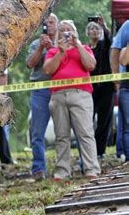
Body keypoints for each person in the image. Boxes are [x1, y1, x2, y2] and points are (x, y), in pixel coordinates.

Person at [43, 20, 100, 180]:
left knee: (85, 133)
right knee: (61, 135)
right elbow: (48, 69)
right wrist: (61, 52)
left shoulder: (85, 48)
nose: (66, 32)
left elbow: (91, 65)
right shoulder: (53, 51)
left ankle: (91, 169)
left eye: (69, 30)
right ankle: (62, 171)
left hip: (81, 94)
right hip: (58, 95)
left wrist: (78, 45)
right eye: (62, 30)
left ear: (74, 32)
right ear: (58, 34)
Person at [25, 13, 58, 180]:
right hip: (40, 91)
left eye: (52, 22)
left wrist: (53, 48)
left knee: (63, 130)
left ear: (57, 25)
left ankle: (63, 166)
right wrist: (41, 48)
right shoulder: (35, 44)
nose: (49, 25)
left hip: (59, 89)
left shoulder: (63, 43)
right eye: (46, 23)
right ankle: (38, 168)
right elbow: (30, 64)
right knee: (37, 132)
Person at [86, 18, 114, 158]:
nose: (95, 31)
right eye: (92, 28)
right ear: (87, 32)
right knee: (87, 120)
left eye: (98, 28)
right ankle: (89, 150)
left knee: (104, 120)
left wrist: (104, 26)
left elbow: (111, 40)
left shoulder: (104, 45)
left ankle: (100, 151)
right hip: (89, 89)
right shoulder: (85, 48)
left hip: (106, 88)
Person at [110, 20, 129, 160]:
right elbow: (115, 51)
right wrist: (116, 80)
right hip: (126, 85)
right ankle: (124, 154)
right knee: (126, 124)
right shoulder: (127, 25)